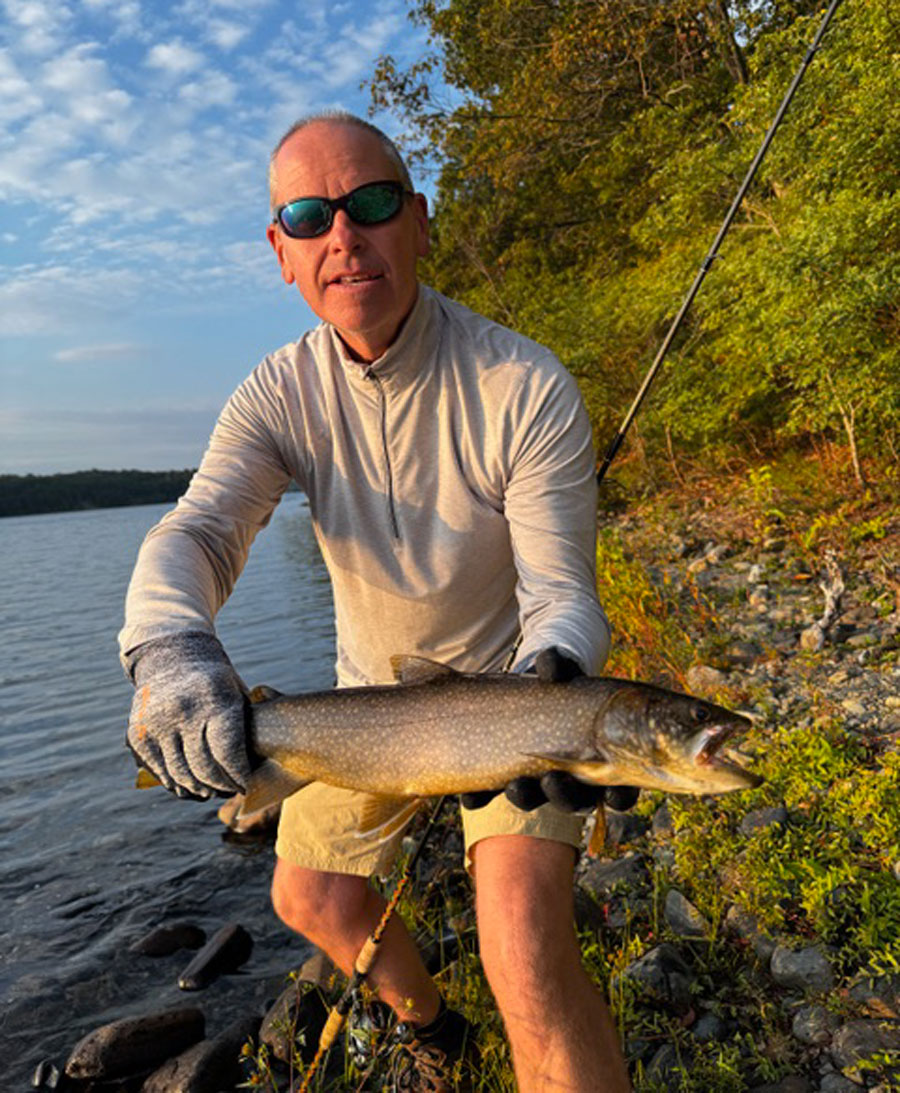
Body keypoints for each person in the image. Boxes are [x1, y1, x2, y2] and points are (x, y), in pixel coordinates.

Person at [121, 111, 633, 1093]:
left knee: (524, 952)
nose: (344, 236)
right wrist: (169, 646)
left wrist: (553, 687)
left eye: (372, 203)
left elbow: (563, 593)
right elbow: (201, 531)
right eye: (311, 216)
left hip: (514, 701)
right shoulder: (276, 397)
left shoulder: (523, 383)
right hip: (372, 708)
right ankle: (434, 1028)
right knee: (311, 897)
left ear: (420, 221)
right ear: (282, 252)